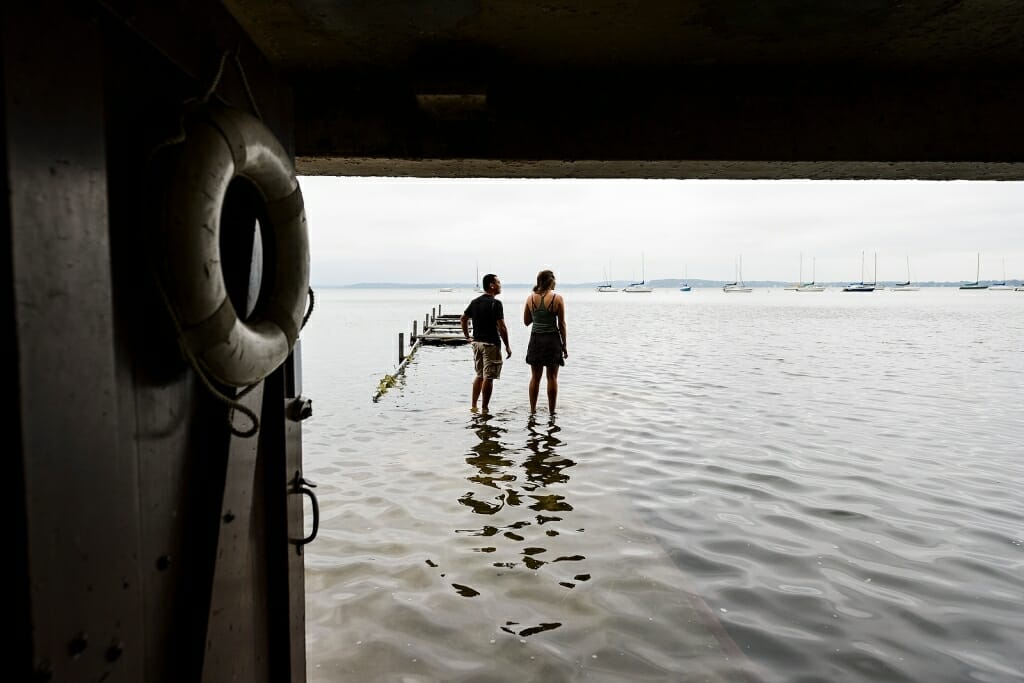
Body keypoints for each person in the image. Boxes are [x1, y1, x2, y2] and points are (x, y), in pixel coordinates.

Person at [460, 273, 512, 412]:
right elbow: (502, 327)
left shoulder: (475, 302)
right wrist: (507, 346)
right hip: (491, 344)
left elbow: (463, 318)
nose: (500, 285)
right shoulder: (496, 303)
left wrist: (467, 337)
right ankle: (485, 409)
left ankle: (474, 406)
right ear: (492, 285)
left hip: (477, 344)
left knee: (479, 375)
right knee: (488, 378)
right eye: (498, 282)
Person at [523, 269, 567, 414]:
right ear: (551, 281)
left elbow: (526, 322)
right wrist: (564, 345)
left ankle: (533, 410)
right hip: (552, 340)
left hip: (536, 339)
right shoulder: (557, 299)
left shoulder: (530, 299)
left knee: (535, 377)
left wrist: (538, 317)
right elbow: (562, 324)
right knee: (552, 377)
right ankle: (552, 412)